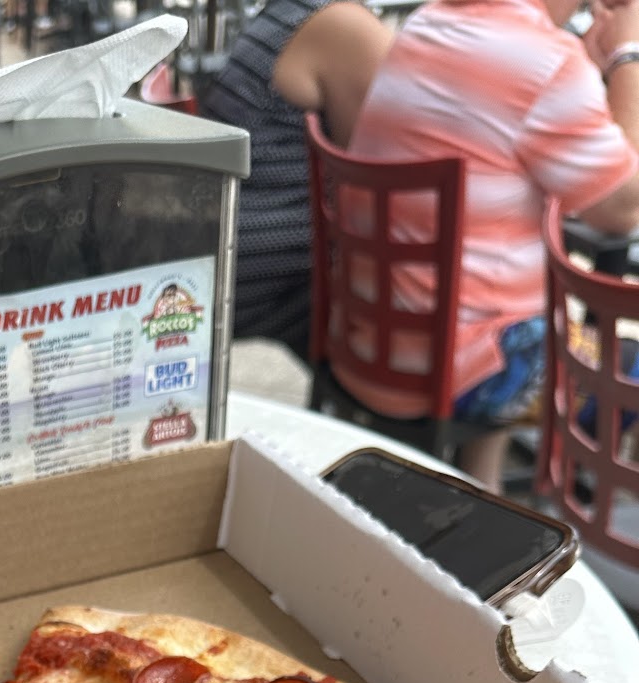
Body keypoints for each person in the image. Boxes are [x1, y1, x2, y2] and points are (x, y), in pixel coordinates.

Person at [346, 0, 639, 488]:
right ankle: (580, 496)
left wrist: (587, 71)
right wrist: (627, 56)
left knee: (518, 307)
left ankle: (482, 490)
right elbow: (622, 207)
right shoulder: (548, 60)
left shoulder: (428, 21)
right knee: (631, 367)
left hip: (370, 343)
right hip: (463, 373)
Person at [202, 1, 394, 353]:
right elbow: (390, 184)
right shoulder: (345, 28)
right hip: (247, 271)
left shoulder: (291, 12)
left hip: (215, 251)